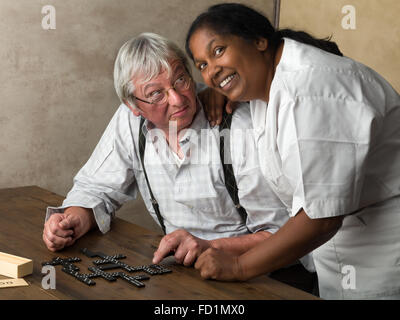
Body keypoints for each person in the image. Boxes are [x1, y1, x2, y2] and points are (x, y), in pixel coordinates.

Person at [42, 32, 316, 292]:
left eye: (181, 80)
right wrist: (72, 220)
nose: (177, 99)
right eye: (156, 94)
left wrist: (210, 246)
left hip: (264, 277)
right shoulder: (130, 121)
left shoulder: (238, 127)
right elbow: (95, 187)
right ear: (133, 106)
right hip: (186, 275)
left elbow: (284, 233)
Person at [185, 3, 400, 299]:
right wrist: (217, 88)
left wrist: (238, 266)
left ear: (259, 40)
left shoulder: (308, 91)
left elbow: (320, 219)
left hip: (384, 244)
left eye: (218, 50)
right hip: (340, 245)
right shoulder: (264, 86)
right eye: (202, 65)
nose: (211, 70)